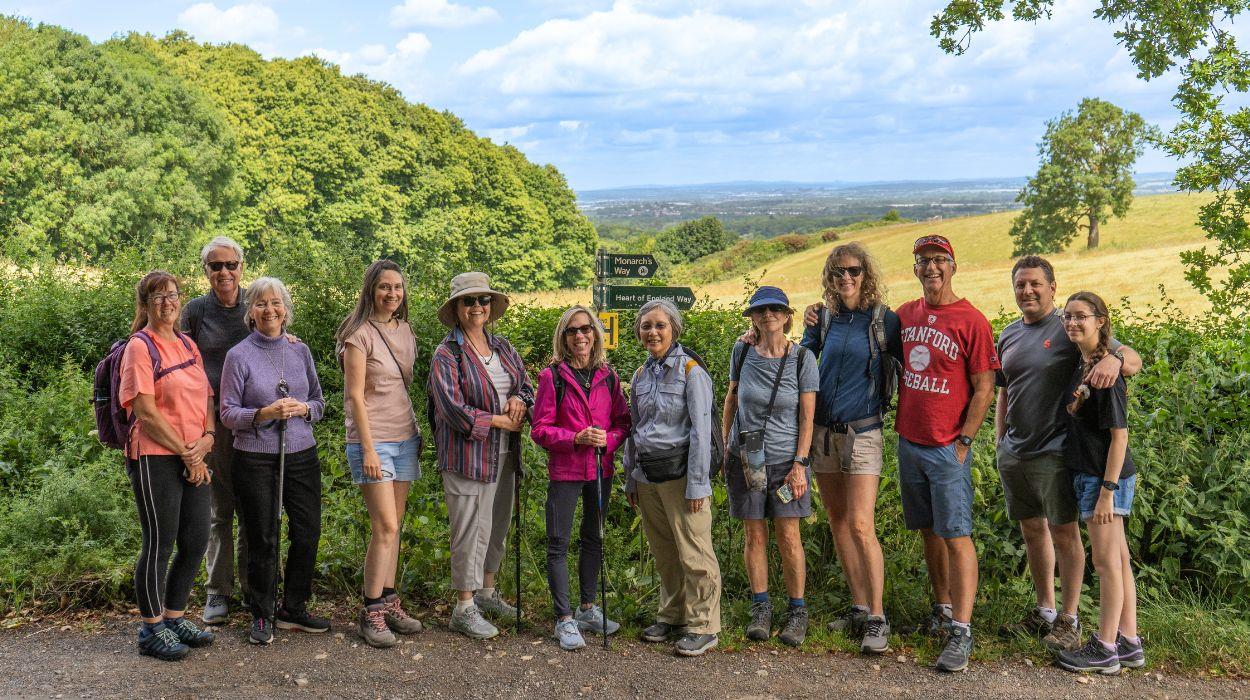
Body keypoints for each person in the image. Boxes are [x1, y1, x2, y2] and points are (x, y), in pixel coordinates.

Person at [995, 256, 1141, 652]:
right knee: (1031, 530)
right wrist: (999, 442)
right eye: (1021, 284)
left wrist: (1114, 358)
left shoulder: (1069, 325)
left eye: (1035, 284)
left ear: (1052, 287)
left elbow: (1132, 359)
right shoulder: (1007, 334)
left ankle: (1070, 618)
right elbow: (1004, 389)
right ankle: (1045, 609)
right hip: (1014, 452)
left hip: (1056, 452)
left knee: (1064, 533)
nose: (1027, 291)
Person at [894, 235, 999, 672]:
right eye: (923, 261)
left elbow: (985, 387)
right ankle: (941, 610)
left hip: (946, 447)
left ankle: (962, 628)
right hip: (909, 441)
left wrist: (964, 442)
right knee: (929, 532)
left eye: (939, 260)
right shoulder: (903, 315)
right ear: (915, 269)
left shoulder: (971, 320)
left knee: (956, 534)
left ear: (953, 266)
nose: (931, 267)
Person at [798, 243, 902, 654]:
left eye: (854, 271)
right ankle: (859, 606)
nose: (846, 278)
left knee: (861, 524)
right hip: (823, 431)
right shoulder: (823, 318)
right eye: (839, 271)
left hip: (864, 433)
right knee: (838, 521)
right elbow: (800, 359)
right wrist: (759, 336)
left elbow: (914, 363)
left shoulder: (882, 320)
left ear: (866, 274)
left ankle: (878, 616)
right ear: (829, 276)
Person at [219, 277, 329, 645]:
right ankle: (262, 613)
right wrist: (263, 413)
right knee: (262, 535)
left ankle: (293, 608)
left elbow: (319, 402)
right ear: (250, 311)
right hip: (254, 457)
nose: (270, 310)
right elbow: (228, 414)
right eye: (262, 303)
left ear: (286, 309)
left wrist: (303, 408)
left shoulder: (300, 350)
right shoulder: (239, 355)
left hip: (301, 453)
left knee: (307, 530)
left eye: (276, 302)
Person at [428, 272, 533, 640]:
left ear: (491, 307)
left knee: (497, 525)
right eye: (468, 301)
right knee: (469, 529)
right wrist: (502, 420)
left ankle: (487, 593)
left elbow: (525, 384)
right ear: (456, 309)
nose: (477, 307)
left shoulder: (502, 347)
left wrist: (521, 399)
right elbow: (452, 409)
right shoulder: (447, 354)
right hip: (467, 456)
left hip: (504, 455)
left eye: (483, 301)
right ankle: (464, 606)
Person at [119, 270, 217, 660]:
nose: (167, 303)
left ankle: (174, 617)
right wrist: (188, 453)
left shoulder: (189, 344)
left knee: (194, 540)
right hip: (155, 456)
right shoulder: (140, 347)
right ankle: (151, 627)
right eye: (157, 297)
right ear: (145, 304)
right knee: (159, 542)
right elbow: (145, 410)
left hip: (194, 451)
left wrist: (206, 440)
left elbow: (206, 397)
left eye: (172, 295)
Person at [624, 299, 722, 657]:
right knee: (665, 553)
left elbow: (701, 431)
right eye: (646, 326)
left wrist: (699, 483)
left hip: (682, 476)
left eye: (660, 325)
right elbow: (635, 429)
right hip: (648, 476)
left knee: (695, 552)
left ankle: (703, 625)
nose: (652, 332)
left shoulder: (692, 371)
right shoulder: (640, 374)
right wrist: (631, 477)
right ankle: (673, 614)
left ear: (674, 329)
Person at [530, 305, 632, 651]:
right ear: (564, 337)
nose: (580, 336)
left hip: (601, 469)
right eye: (572, 331)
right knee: (558, 543)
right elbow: (540, 430)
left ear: (595, 334)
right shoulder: (552, 377)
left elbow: (623, 423)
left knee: (594, 539)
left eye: (586, 329)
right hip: (567, 471)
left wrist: (609, 439)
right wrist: (575, 438)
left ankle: (587, 608)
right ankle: (563, 619)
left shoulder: (609, 376)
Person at [336, 260, 425, 648]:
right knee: (384, 527)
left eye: (398, 287)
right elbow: (355, 394)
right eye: (385, 287)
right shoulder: (358, 334)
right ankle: (370, 611)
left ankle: (389, 601)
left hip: (405, 436)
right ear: (370, 289)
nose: (392, 294)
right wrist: (368, 447)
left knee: (396, 527)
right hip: (372, 442)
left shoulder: (404, 330)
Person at [1054, 291, 1144, 675]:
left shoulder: (1108, 374)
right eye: (1068, 317)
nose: (1073, 323)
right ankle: (1129, 640)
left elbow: (1119, 437)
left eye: (1081, 317)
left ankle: (1105, 648)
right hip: (1092, 473)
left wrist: (1107, 493)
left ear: (1101, 320)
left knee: (1106, 562)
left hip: (1103, 477)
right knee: (1119, 560)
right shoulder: (1085, 362)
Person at [722, 287, 817, 647]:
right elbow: (731, 397)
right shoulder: (742, 349)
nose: (768, 316)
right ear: (752, 317)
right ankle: (760, 607)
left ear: (787, 315)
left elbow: (807, 417)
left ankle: (797, 611)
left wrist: (800, 465)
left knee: (789, 536)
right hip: (746, 457)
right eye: (760, 311)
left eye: (775, 309)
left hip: (785, 461)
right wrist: (724, 443)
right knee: (754, 535)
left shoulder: (802, 359)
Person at [181, 236, 250, 625]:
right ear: (205, 270)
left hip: (254, 424)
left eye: (230, 264)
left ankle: (255, 588)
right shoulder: (194, 311)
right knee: (219, 511)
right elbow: (178, 359)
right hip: (210, 426)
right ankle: (218, 592)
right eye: (215, 266)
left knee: (255, 509)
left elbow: (275, 335)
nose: (224, 272)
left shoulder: (253, 304)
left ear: (242, 266)